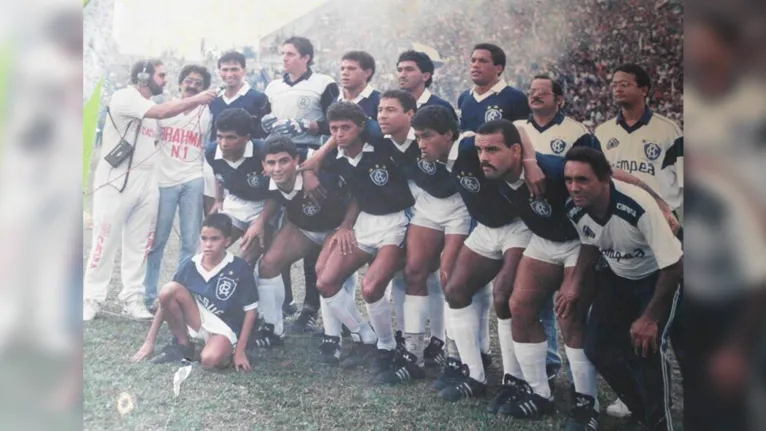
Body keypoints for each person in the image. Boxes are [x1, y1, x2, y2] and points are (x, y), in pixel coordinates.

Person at [83, 59, 217, 321]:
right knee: (105, 240)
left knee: (139, 245)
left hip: (148, 182)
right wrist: (199, 98)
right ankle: (91, 298)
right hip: (116, 180)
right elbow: (162, 114)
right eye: (161, 75)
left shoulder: (152, 106)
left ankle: (132, 299)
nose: (166, 80)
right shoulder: (125, 97)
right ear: (143, 76)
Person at [563, 147, 683, 431]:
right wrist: (574, 284)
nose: (574, 188)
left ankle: (661, 424)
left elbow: (675, 265)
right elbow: (590, 242)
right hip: (619, 277)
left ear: (605, 179)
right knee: (597, 348)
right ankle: (642, 412)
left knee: (647, 348)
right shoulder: (574, 208)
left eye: (582, 180)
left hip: (659, 277)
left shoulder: (637, 206)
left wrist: (650, 317)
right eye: (568, 180)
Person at [594, 63, 684, 419]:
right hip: (621, 234)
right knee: (626, 322)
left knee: (670, 326)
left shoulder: (667, 130)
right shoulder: (602, 132)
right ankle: (636, 397)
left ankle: (674, 400)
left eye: (626, 83)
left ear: (645, 89)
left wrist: (678, 221)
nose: (617, 88)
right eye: (614, 83)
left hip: (664, 232)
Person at [312, 102, 414, 373]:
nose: (340, 134)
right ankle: (365, 335)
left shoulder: (381, 144)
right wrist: (346, 225)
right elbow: (359, 193)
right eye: (334, 129)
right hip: (365, 222)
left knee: (370, 288)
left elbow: (373, 126)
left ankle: (386, 346)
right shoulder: (337, 159)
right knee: (325, 282)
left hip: (397, 222)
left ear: (360, 127)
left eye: (346, 127)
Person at [257, 135, 357, 360]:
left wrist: (346, 225)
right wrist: (260, 221)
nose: (277, 168)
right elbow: (274, 197)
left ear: (296, 160)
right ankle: (273, 328)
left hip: (338, 227)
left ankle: (338, 335)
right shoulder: (266, 180)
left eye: (284, 161)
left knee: (328, 275)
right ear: (263, 165)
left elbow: (357, 193)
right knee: (268, 264)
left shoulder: (323, 172)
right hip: (304, 228)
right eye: (271, 163)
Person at [262, 36, 341, 321]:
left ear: (307, 57)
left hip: (311, 160)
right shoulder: (273, 86)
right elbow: (263, 120)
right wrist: (265, 122)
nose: (284, 58)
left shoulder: (323, 82)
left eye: (291, 54)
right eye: (282, 53)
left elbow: (337, 123)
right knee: (276, 233)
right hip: (280, 166)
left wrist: (306, 124)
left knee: (311, 232)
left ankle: (312, 306)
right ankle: (283, 303)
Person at [131, 213, 258, 371]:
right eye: (204, 238)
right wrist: (149, 342)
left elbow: (251, 311)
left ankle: (225, 351)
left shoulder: (239, 267)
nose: (208, 244)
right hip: (197, 318)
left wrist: (240, 351)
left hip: (224, 327)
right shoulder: (192, 264)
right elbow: (165, 301)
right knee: (169, 289)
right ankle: (183, 345)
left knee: (209, 360)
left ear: (227, 241)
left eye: (215, 239)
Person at [144, 64, 213, 310]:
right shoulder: (166, 108)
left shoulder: (208, 112)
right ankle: (148, 295)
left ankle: (181, 294)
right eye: (189, 80)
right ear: (181, 83)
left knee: (189, 241)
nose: (193, 85)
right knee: (157, 241)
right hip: (164, 181)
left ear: (204, 89)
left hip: (193, 178)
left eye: (198, 83)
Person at [205, 108, 272, 266]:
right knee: (209, 254)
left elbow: (276, 194)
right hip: (236, 202)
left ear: (246, 138)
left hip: (264, 207)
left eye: (230, 138)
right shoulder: (211, 151)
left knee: (244, 262)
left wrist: (260, 222)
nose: (223, 143)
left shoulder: (263, 151)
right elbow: (218, 175)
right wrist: (218, 200)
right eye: (220, 136)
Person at [514, 75, 600, 156]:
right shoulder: (515, 127)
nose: (535, 95)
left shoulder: (578, 132)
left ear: (559, 100)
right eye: (532, 92)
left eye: (543, 92)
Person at [457, 43, 529, 133]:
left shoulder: (516, 97)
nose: (475, 65)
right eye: (473, 60)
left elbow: (524, 136)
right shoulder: (464, 97)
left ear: (498, 68)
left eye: (482, 61)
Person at [396, 50, 457, 119]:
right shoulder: (393, 107)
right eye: (400, 70)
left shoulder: (440, 108)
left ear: (425, 76)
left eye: (409, 69)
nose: (402, 75)